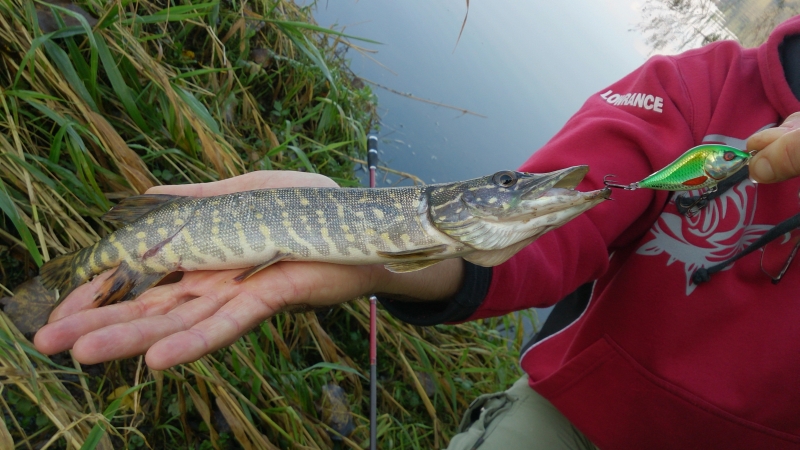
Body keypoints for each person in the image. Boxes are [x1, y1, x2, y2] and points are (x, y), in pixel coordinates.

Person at [34, 14, 800, 450]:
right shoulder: (699, 90)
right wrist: (377, 265)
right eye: (503, 187)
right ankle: (36, 301)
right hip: (576, 418)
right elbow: (542, 248)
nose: (518, 191)